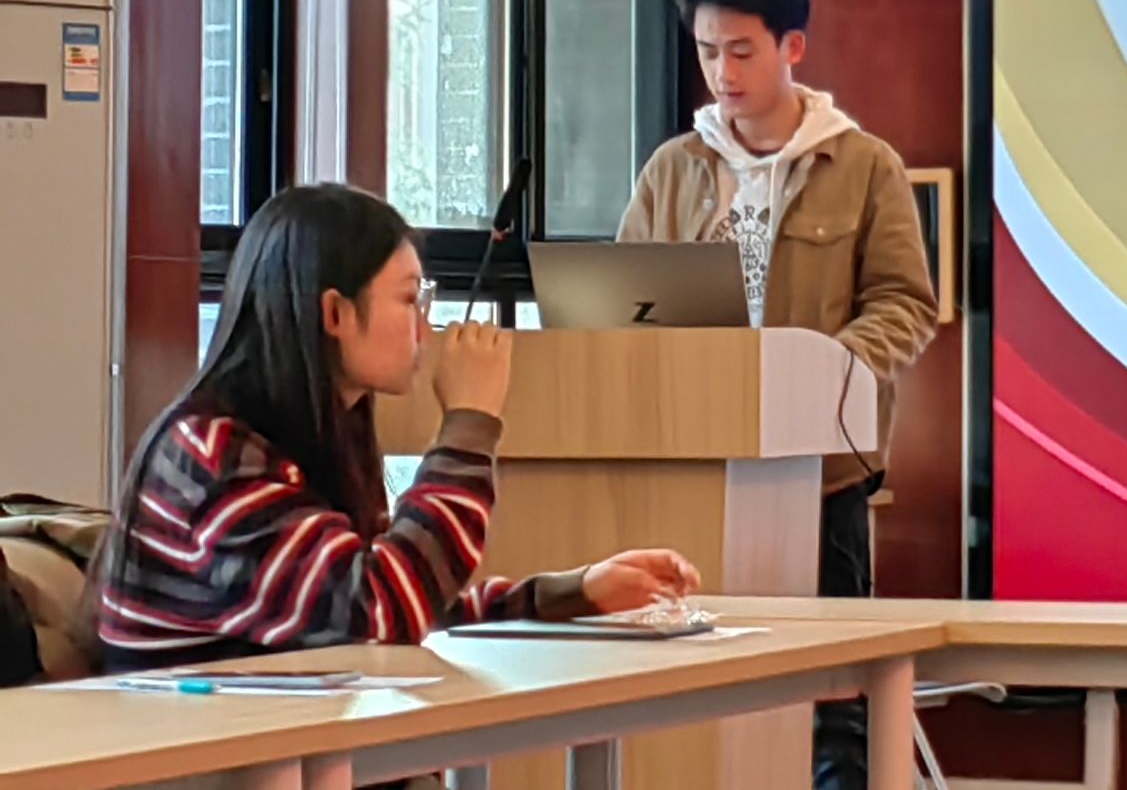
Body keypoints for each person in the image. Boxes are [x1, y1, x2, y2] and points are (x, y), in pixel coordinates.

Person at [96, 183, 698, 673]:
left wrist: (575, 592)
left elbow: (395, 597)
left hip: (282, 749)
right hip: (201, 759)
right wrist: (469, 423)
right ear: (335, 312)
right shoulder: (213, 454)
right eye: (410, 299)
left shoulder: (307, 434)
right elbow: (380, 610)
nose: (425, 327)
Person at [620, 0, 937, 790]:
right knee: (686, 684)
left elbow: (906, 303)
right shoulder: (675, 168)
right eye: (707, 52)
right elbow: (623, 302)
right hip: (691, 461)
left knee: (830, 695)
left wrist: (821, 373)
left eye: (742, 51)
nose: (722, 73)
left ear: (793, 46)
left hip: (820, 469)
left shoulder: (862, 164)